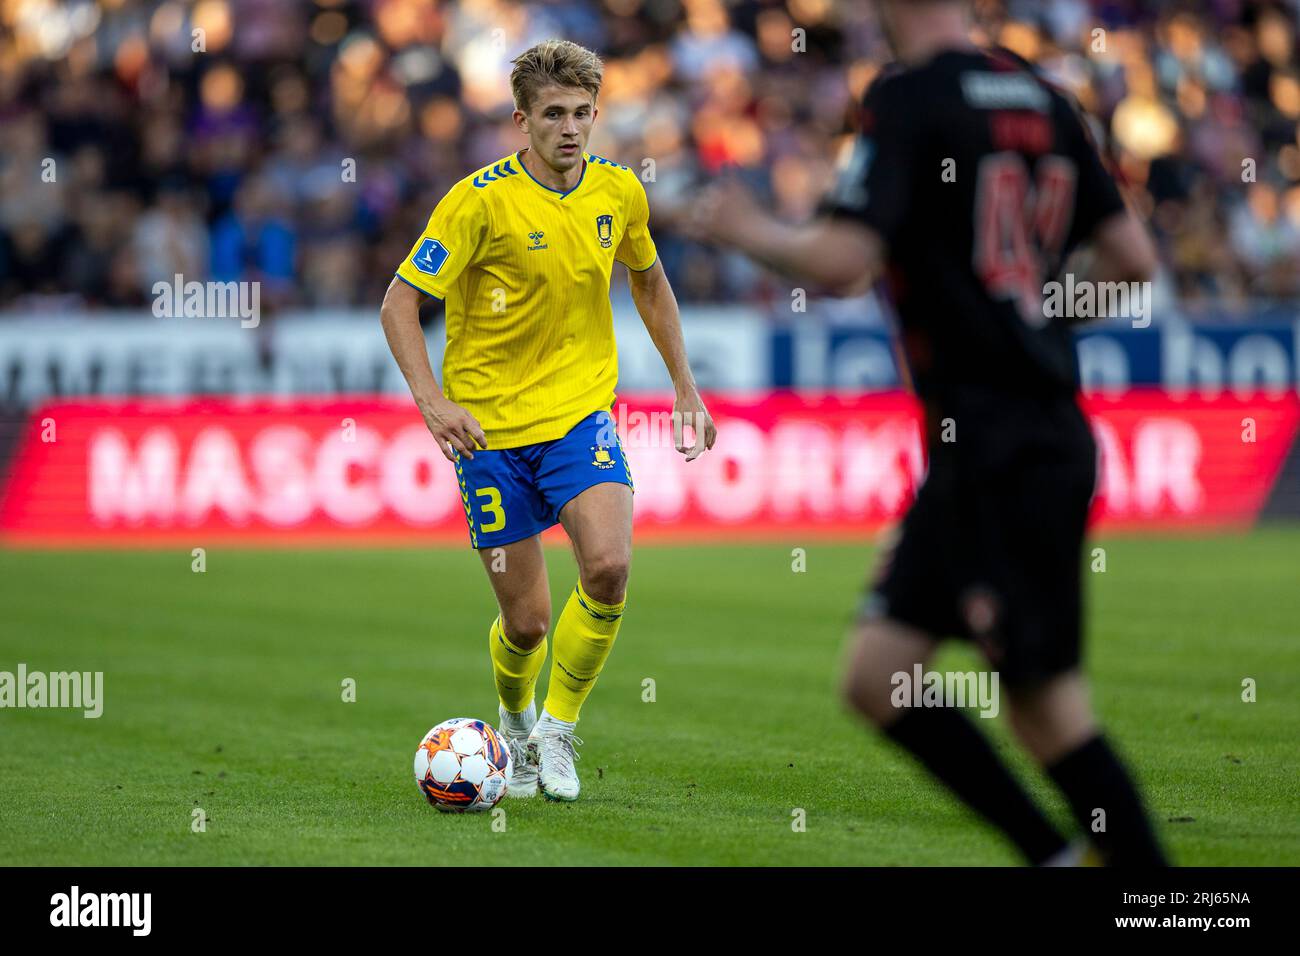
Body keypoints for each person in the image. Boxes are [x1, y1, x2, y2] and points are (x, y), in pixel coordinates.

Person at [687, 0, 1167, 865]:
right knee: (880, 677)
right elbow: (1131, 259)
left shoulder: (908, 98)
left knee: (1047, 709)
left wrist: (746, 228)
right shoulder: (1043, 95)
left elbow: (841, 263)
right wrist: (1040, 314)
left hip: (1001, 447)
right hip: (1009, 439)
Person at [381, 39, 716, 802]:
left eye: (582, 114)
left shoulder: (619, 192)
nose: (570, 128)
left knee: (608, 565)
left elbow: (651, 282)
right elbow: (399, 302)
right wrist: (433, 403)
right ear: (521, 119)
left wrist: (684, 384)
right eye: (553, 114)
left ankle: (557, 732)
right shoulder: (478, 202)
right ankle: (514, 718)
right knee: (527, 623)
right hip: (489, 434)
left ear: (597, 115)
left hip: (579, 415)